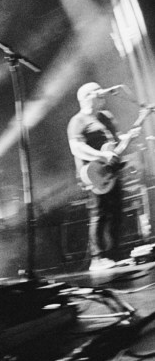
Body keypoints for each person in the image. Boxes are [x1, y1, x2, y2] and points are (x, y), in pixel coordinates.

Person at [67, 82, 129, 273]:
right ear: (85, 97)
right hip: (93, 174)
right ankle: (97, 258)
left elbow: (116, 144)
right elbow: (77, 147)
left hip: (111, 171)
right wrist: (102, 156)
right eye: (97, 91)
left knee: (116, 212)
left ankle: (114, 254)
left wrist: (128, 139)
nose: (102, 92)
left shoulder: (106, 117)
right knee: (99, 213)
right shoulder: (77, 121)